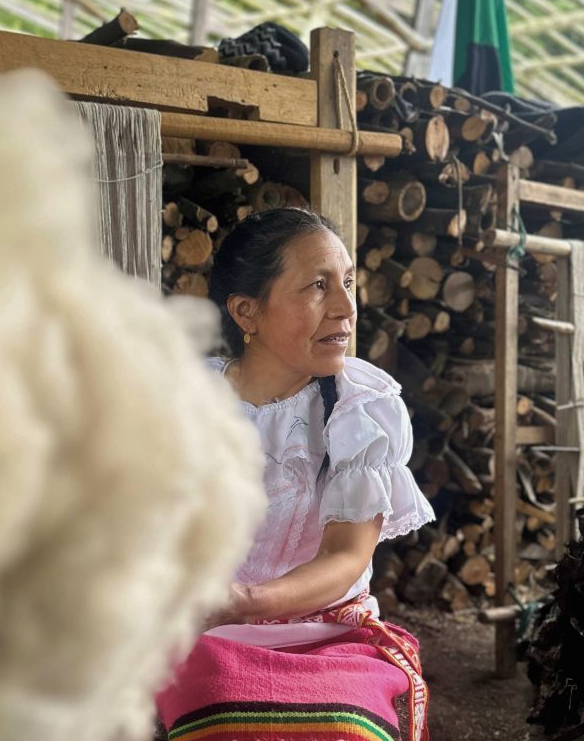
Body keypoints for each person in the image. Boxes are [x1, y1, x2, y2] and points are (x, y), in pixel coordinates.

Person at [156, 208, 436, 741]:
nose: (347, 308)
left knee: (341, 728)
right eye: (317, 286)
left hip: (330, 636)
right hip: (203, 634)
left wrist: (245, 601)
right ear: (246, 312)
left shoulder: (361, 409)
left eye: (349, 282)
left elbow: (346, 557)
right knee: (219, 708)